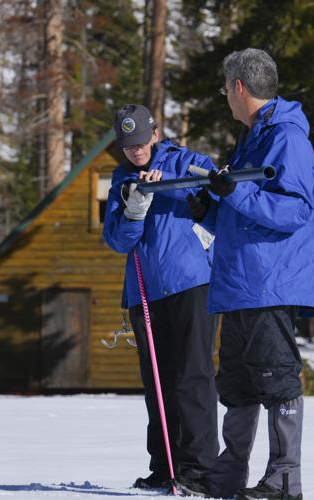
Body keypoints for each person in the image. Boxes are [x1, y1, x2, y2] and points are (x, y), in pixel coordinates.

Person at [179, 48, 314, 500]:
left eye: (226, 88)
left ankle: (284, 479)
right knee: (238, 382)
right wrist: (208, 210)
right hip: (241, 282)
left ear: (240, 87)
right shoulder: (252, 137)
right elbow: (244, 209)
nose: (225, 96)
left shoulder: (286, 137)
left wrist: (235, 196)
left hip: (270, 280)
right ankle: (228, 475)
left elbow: (294, 210)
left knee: (276, 377)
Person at [103, 104, 219, 491]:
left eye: (140, 142)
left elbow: (218, 202)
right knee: (158, 381)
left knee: (193, 375)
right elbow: (118, 241)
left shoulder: (187, 162)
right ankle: (165, 465)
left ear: (155, 133)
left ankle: (199, 469)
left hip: (189, 283)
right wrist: (135, 210)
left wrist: (202, 200)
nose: (136, 151)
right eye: (127, 146)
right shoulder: (122, 180)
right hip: (145, 292)